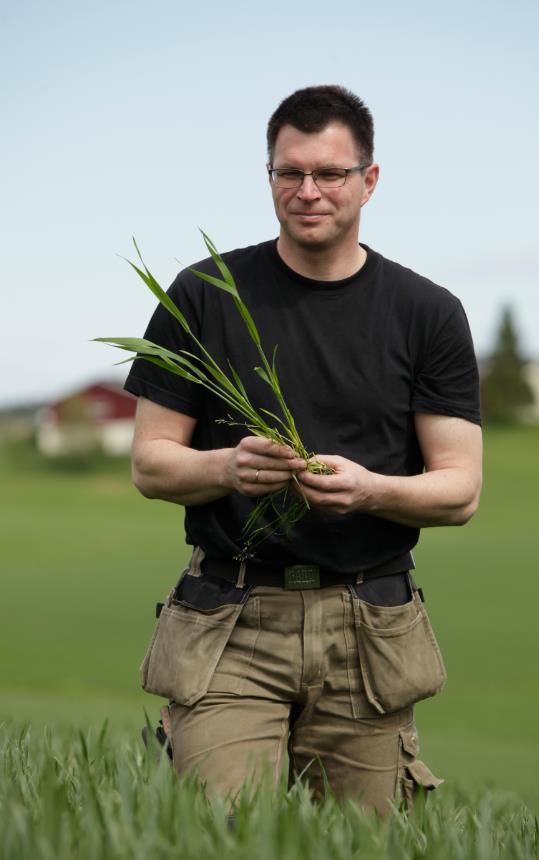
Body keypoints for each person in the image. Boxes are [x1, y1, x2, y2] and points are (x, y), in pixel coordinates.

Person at [124, 85, 482, 813]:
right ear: (269, 176)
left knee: (363, 843)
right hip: (228, 617)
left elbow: (459, 489)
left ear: (368, 181)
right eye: (289, 173)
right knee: (217, 832)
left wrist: (371, 490)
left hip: (369, 626)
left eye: (329, 173)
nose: (307, 191)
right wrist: (227, 467)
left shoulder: (426, 313)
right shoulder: (204, 294)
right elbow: (150, 462)